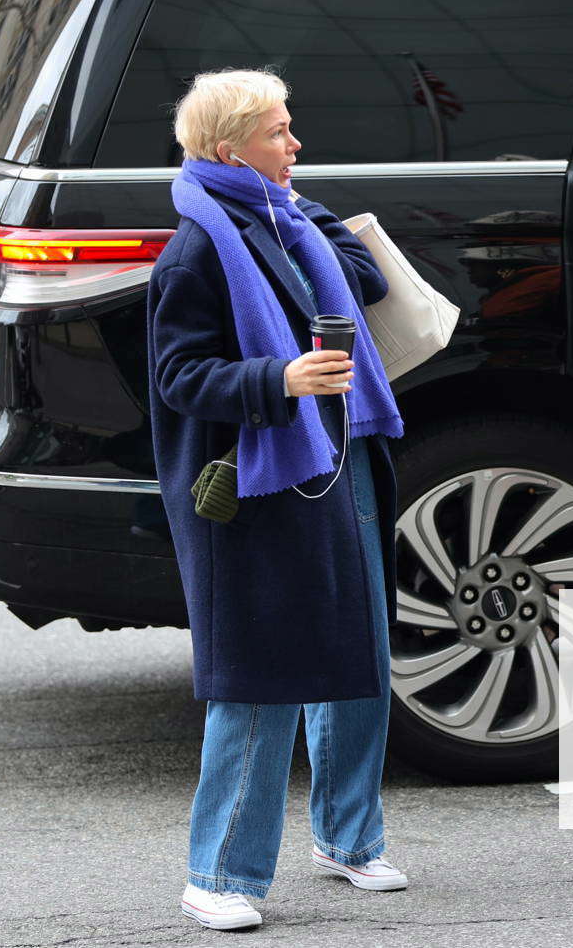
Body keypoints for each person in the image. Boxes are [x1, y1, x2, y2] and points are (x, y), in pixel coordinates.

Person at [147, 68, 408, 931]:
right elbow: (179, 375)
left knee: (360, 642)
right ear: (230, 150)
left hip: (343, 451)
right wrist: (280, 375)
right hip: (258, 475)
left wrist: (298, 213)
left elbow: (366, 281)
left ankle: (347, 838)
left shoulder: (284, 215)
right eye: (279, 133)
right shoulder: (196, 246)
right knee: (262, 674)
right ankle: (217, 872)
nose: (296, 144)